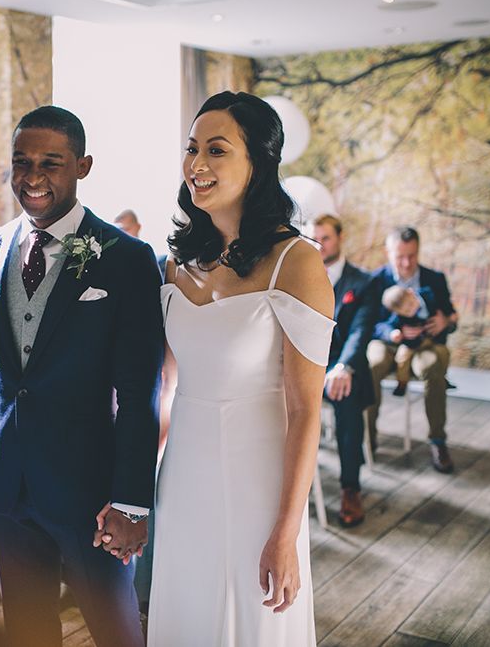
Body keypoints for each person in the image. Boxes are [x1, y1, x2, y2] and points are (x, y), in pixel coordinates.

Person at [0, 106, 163, 647]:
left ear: (83, 166)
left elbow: (140, 392)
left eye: (51, 163)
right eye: (21, 163)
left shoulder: (128, 259)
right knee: (27, 633)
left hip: (89, 492)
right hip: (4, 487)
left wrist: (132, 501)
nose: (33, 178)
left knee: (117, 633)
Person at [149, 91, 334, 647]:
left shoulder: (295, 262)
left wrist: (286, 531)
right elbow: (165, 385)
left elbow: (305, 412)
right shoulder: (176, 262)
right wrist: (133, 483)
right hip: (184, 472)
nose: (196, 165)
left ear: (259, 163)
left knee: (254, 618)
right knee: (188, 607)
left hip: (260, 480)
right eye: (191, 149)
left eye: (216, 150)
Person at [367, 226, 458, 473]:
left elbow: (452, 316)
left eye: (412, 255)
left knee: (431, 367)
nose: (406, 263)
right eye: (400, 256)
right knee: (372, 364)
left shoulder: (434, 279)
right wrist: (391, 333)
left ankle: (438, 440)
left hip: (426, 345)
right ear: (388, 252)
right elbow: (366, 324)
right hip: (387, 343)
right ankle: (367, 438)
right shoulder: (375, 280)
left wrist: (445, 322)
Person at [306, 214, 376, 527]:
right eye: (314, 238)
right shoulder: (300, 274)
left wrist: (344, 367)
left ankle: (350, 487)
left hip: (341, 364)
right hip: (305, 362)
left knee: (346, 399)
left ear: (340, 238)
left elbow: (360, 333)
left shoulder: (363, 282)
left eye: (326, 238)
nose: (318, 244)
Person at [380, 284, 438, 396]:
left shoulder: (428, 296)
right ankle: (402, 383)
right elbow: (390, 325)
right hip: (410, 343)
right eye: (406, 312)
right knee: (402, 357)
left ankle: (442, 379)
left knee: (435, 356)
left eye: (411, 305)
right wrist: (394, 333)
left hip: (427, 340)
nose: (411, 311)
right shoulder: (398, 316)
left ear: (411, 293)